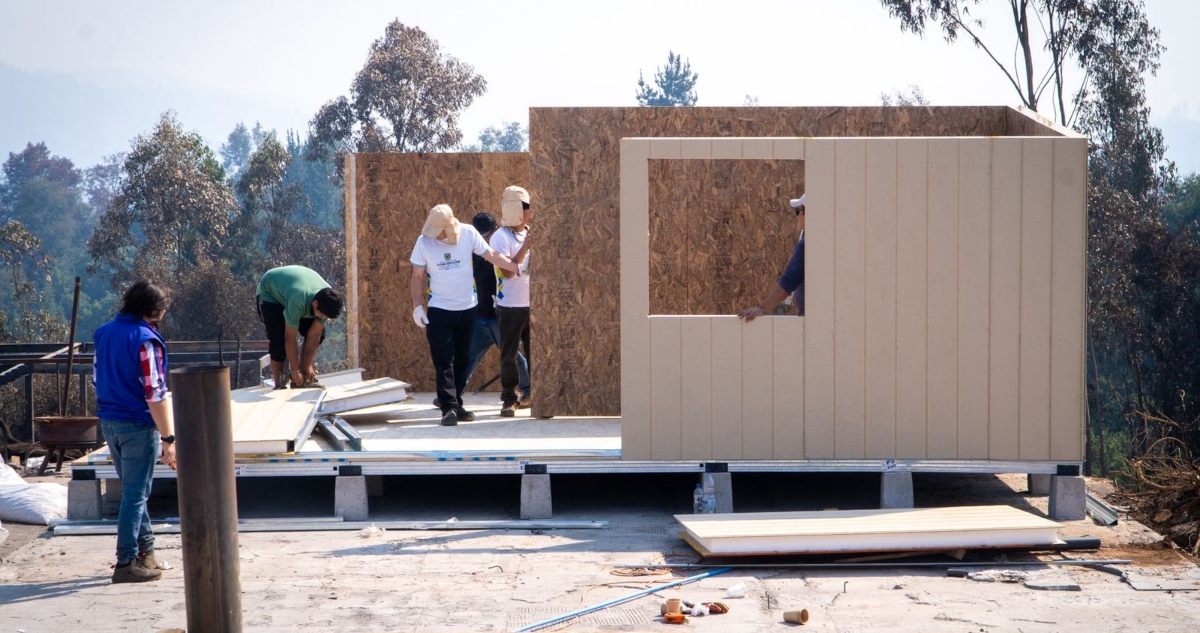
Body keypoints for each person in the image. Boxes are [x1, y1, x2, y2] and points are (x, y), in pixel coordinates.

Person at [93, 280, 176, 584]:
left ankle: (147, 552)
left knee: (134, 492)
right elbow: (154, 392)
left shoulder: (103, 333)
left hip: (110, 421)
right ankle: (127, 561)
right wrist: (168, 438)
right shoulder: (145, 340)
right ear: (154, 309)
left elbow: (96, 377)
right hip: (138, 425)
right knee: (135, 495)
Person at [411, 204, 523, 426]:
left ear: (450, 226)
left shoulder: (468, 234)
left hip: (467, 308)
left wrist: (514, 266)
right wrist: (417, 306)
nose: (435, 234)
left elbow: (490, 255)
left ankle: (457, 403)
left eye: (439, 230)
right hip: (440, 309)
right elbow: (417, 276)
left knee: (462, 359)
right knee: (444, 361)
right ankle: (448, 409)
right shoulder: (423, 242)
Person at [432, 212, 530, 409]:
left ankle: (527, 391)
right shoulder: (471, 251)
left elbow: (510, 271)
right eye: (481, 236)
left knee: (511, 355)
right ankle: (453, 393)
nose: (484, 240)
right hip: (479, 316)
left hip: (496, 316)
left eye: (486, 235)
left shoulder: (497, 250)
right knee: (466, 356)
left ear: (493, 232)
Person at [255, 265, 343, 388]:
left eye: (325, 317)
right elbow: (289, 338)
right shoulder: (298, 300)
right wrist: (294, 370)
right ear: (315, 303)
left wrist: (307, 366)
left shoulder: (328, 300)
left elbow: (314, 334)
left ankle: (302, 379)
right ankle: (279, 384)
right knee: (278, 341)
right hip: (270, 294)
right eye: (321, 315)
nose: (322, 318)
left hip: (292, 292)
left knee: (320, 334)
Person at [490, 185, 534, 417]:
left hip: (533, 305)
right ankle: (509, 398)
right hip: (510, 306)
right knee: (509, 355)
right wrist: (526, 247)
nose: (530, 211)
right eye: (527, 207)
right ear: (518, 209)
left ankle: (533, 394)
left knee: (535, 352)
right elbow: (506, 272)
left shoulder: (531, 230)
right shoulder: (500, 237)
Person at [738, 193, 806, 322]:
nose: (797, 216)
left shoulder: (807, 244)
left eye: (799, 211)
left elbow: (790, 279)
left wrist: (762, 308)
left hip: (811, 319)